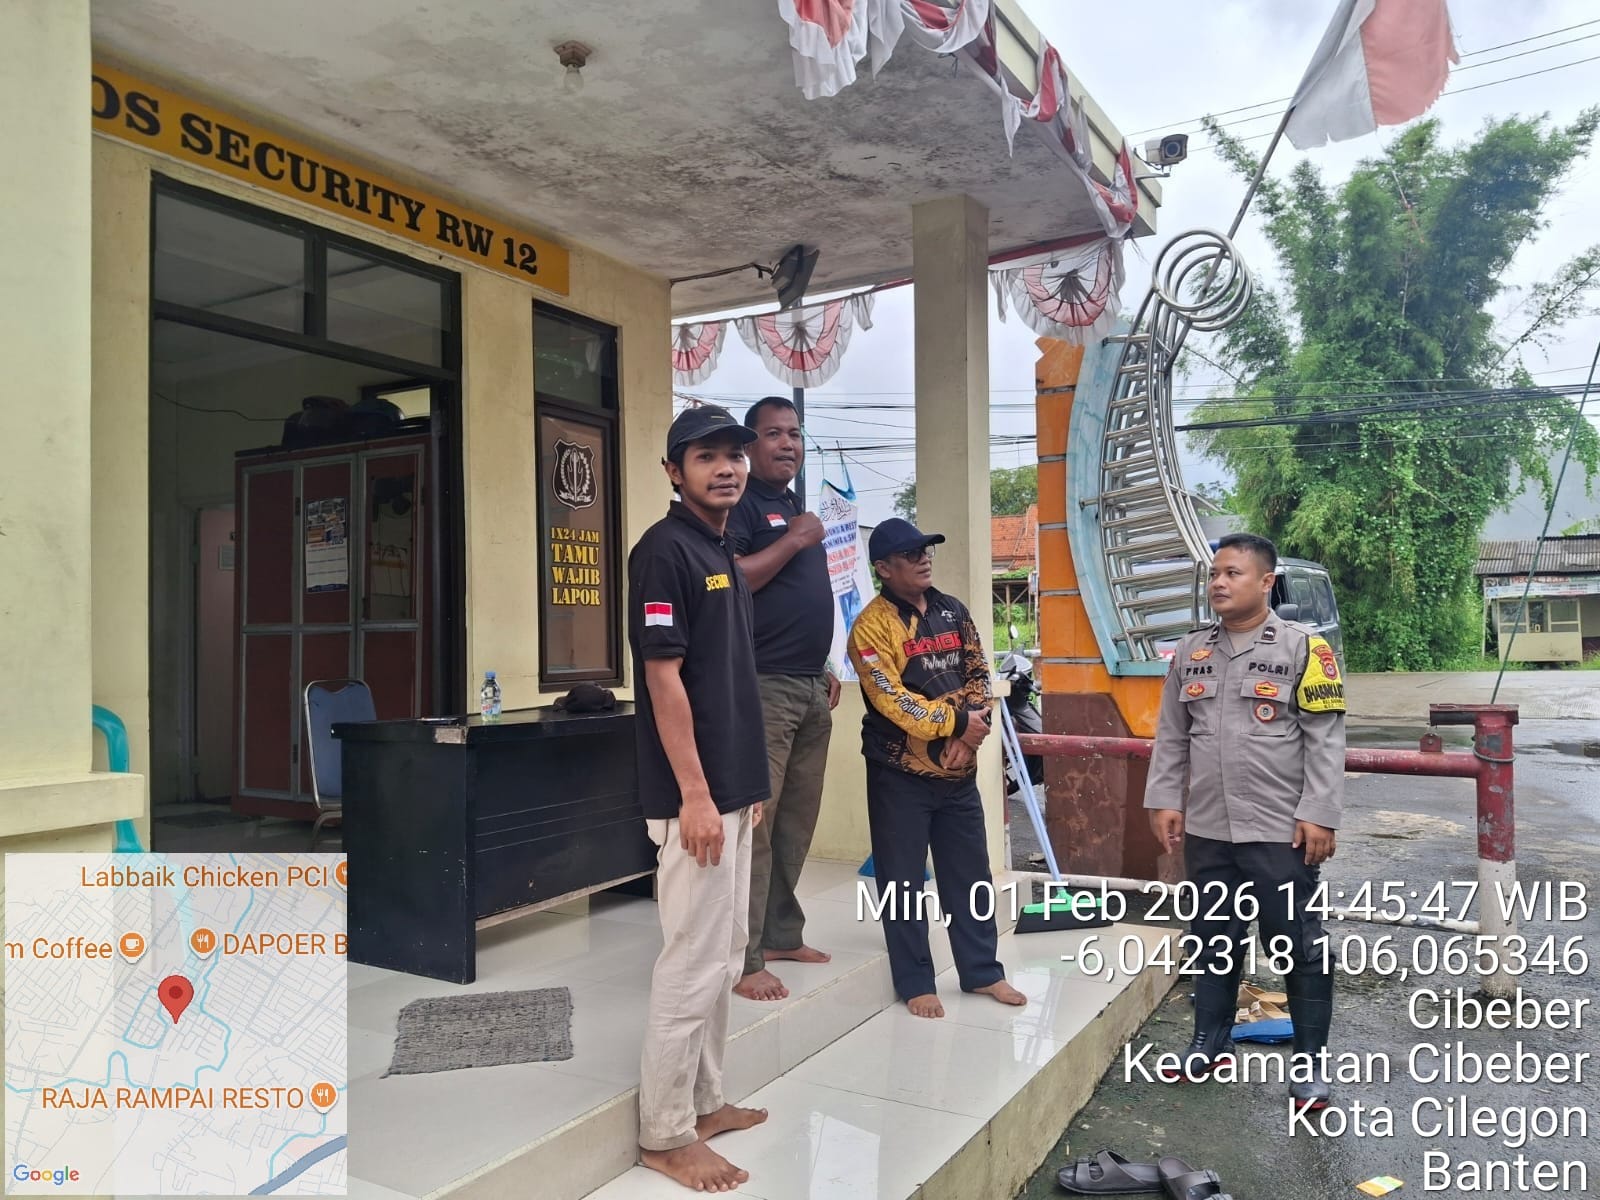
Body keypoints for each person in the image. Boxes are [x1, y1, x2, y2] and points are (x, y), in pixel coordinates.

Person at [1144, 532, 1346, 1110]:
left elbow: (1325, 738)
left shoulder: (1304, 650)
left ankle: (1309, 1063)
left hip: (1280, 829)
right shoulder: (1191, 651)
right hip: (1209, 829)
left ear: (1266, 581)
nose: (1218, 583)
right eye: (1214, 574)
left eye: (1232, 573)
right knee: (1214, 938)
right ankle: (1210, 1042)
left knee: (1298, 944)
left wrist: (1319, 813)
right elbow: (1172, 734)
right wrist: (1164, 799)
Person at [628, 404, 771, 1192]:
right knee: (691, 962)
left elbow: (728, 680)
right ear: (673, 471)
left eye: (734, 456)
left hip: (730, 792)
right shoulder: (664, 551)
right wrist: (695, 794)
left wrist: (745, 789)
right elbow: (663, 678)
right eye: (708, 456)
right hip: (696, 800)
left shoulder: (721, 549)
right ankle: (665, 1133)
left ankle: (706, 1100)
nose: (727, 468)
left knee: (724, 955)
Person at [846, 518, 1027, 1019]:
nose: (924, 559)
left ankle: (983, 972)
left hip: (957, 773)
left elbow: (978, 672)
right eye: (911, 554)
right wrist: (957, 725)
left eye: (926, 550)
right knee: (902, 883)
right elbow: (891, 700)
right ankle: (915, 982)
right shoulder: (870, 627)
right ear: (884, 568)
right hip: (898, 775)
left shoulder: (953, 611)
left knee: (971, 875)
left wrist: (970, 734)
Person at [725, 396, 840, 1002]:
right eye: (774, 433)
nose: (788, 443)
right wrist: (795, 540)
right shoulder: (742, 504)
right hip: (763, 684)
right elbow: (735, 580)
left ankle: (780, 934)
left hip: (809, 683)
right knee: (758, 827)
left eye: (794, 433)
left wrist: (823, 665)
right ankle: (744, 960)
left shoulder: (793, 505)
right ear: (749, 445)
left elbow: (798, 598)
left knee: (797, 820)